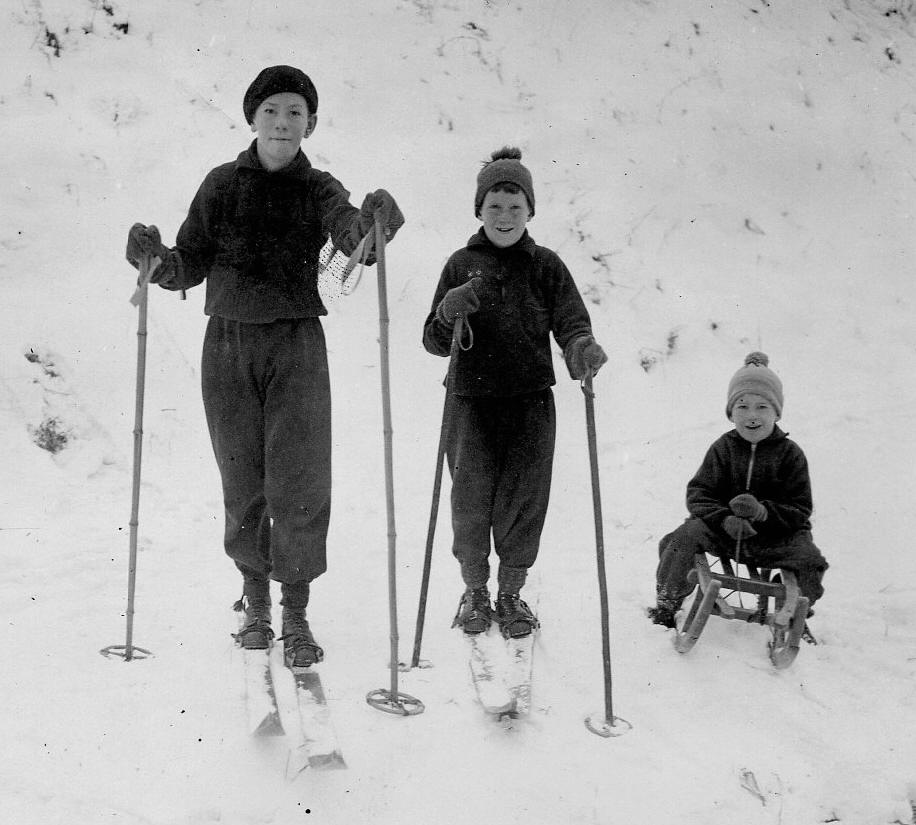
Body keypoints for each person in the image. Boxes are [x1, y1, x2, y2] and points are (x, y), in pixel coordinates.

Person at [124, 65, 404, 669]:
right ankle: (255, 600)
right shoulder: (221, 184)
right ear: (252, 117)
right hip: (226, 344)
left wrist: (372, 226)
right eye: (272, 111)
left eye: (295, 113)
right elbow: (189, 261)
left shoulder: (319, 188)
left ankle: (295, 610)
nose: (283, 123)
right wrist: (154, 259)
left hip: (296, 345)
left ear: (311, 123)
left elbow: (351, 235)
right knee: (241, 475)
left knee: (300, 479)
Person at [422, 146, 608, 639]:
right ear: (478, 210)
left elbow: (571, 322)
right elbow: (433, 342)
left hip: (530, 403)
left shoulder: (546, 266)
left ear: (530, 211)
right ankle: (476, 591)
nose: (504, 217)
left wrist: (581, 347)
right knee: (471, 500)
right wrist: (447, 310)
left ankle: (511, 592)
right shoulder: (460, 263)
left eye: (515, 207)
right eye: (494, 207)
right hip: (470, 404)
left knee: (524, 500)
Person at [648, 352, 828, 629]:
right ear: (731, 412)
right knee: (682, 538)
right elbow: (699, 493)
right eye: (742, 407)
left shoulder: (791, 455)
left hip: (774, 539)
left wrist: (763, 512)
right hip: (725, 533)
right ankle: (667, 604)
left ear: (777, 412)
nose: (752, 416)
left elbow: (800, 509)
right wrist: (723, 518)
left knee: (810, 560)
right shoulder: (723, 449)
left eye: (762, 407)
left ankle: (793, 611)